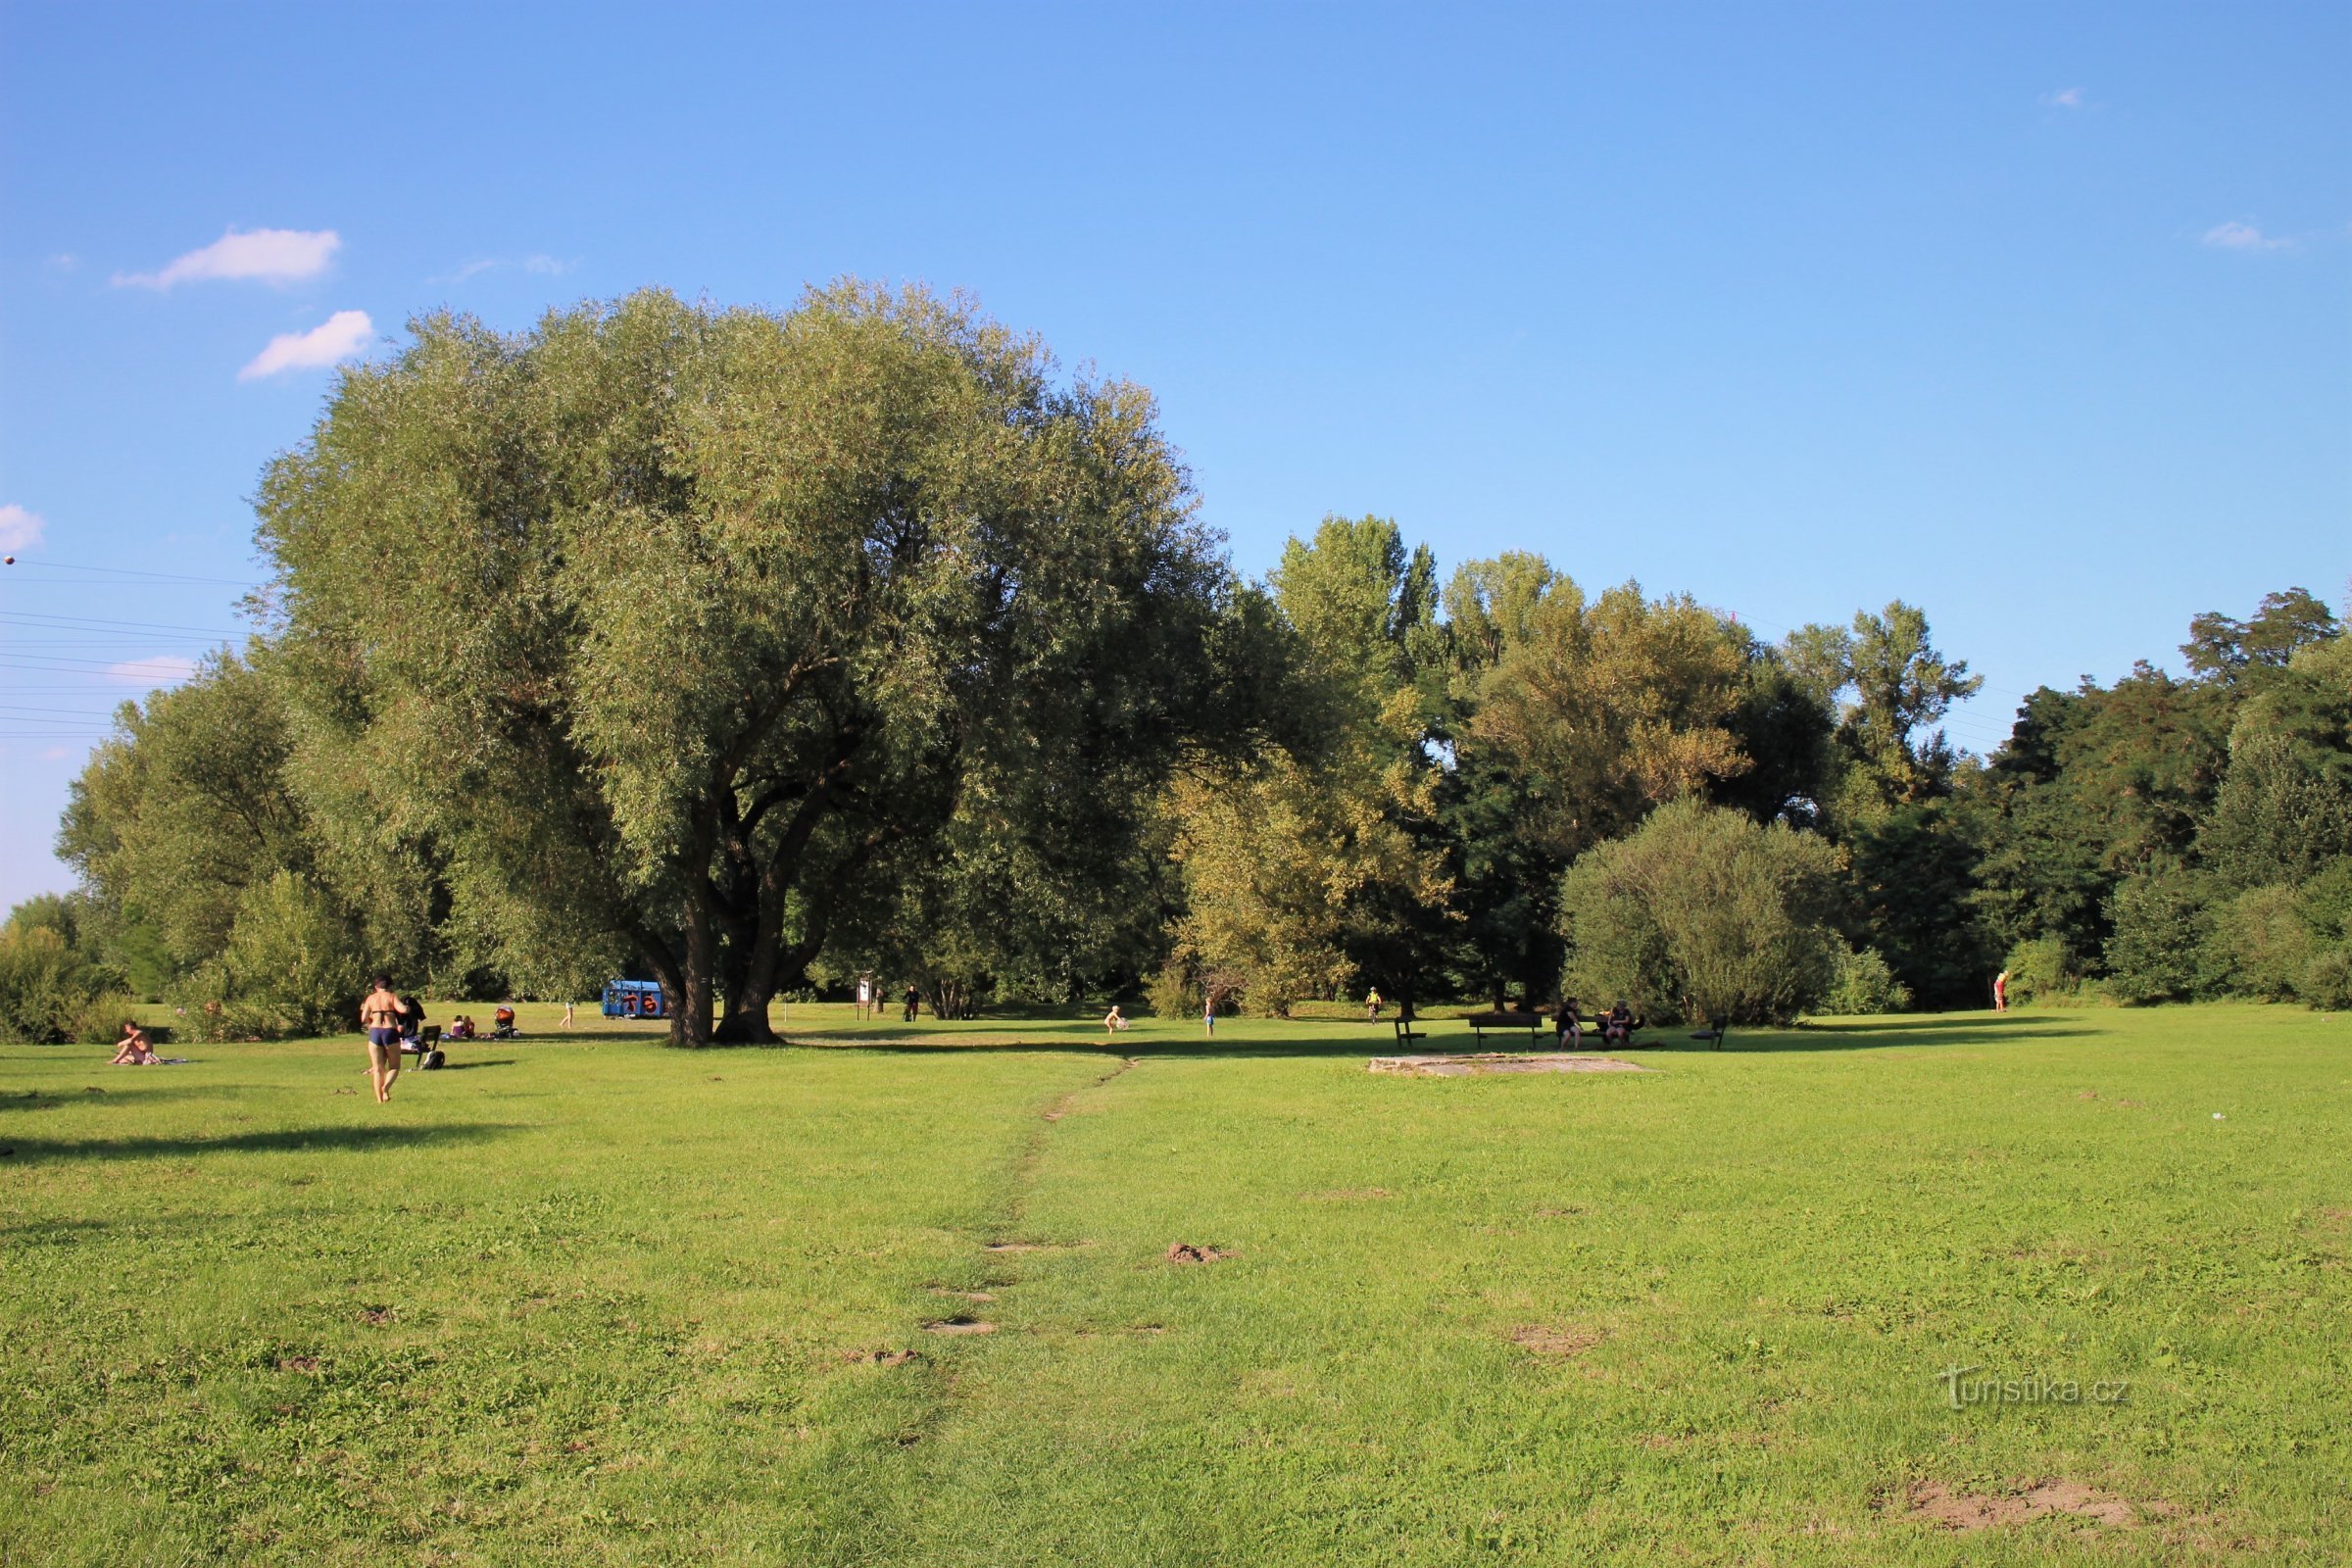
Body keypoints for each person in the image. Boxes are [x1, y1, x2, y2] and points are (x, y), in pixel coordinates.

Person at [359, 977, 409, 1103]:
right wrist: (408, 1008)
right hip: (390, 1032)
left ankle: (379, 1100)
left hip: (375, 1032)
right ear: (389, 987)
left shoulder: (370, 998)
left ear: (376, 987)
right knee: (394, 1067)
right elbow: (403, 1010)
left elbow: (363, 1017)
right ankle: (385, 1088)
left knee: (377, 1069)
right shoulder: (392, 996)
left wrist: (371, 1023)